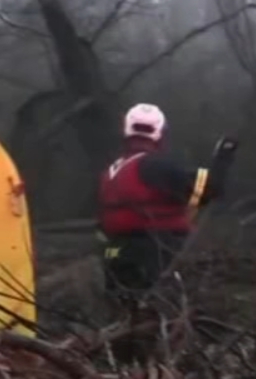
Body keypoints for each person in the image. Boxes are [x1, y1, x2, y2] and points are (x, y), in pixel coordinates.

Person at [97, 103, 237, 306]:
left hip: (114, 252)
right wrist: (224, 156)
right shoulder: (154, 166)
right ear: (160, 132)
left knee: (123, 310)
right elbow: (210, 189)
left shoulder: (111, 171)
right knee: (161, 312)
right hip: (154, 252)